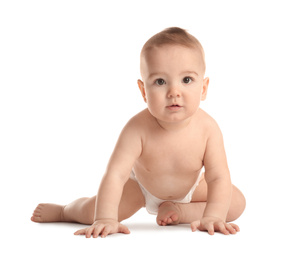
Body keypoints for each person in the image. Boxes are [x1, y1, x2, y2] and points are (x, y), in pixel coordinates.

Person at [31, 27, 246, 237]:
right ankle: (64, 210)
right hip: (142, 189)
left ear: (204, 88)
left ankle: (180, 212)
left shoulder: (208, 129)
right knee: (91, 211)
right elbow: (116, 174)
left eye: (186, 80)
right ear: (144, 91)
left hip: (191, 188)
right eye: (160, 81)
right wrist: (105, 218)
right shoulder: (137, 129)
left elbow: (218, 176)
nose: (174, 92)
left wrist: (215, 215)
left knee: (235, 203)